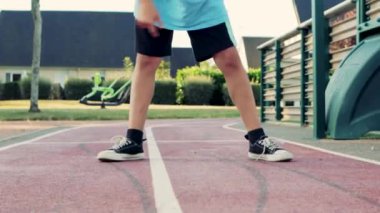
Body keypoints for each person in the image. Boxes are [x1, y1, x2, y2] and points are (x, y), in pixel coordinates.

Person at [97, 0, 293, 162]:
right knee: (147, 60)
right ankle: (133, 140)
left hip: (203, 4)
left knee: (229, 59)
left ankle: (257, 139)